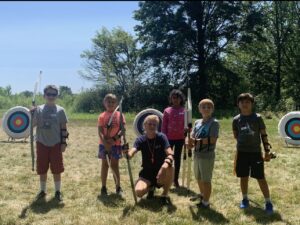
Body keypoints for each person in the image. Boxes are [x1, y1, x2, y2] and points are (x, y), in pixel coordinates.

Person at [232, 93, 274, 214]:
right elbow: (236, 135)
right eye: (242, 102)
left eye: (248, 102)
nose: (245, 104)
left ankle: (268, 202)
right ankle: (245, 199)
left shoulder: (258, 118)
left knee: (260, 177)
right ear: (238, 104)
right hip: (241, 153)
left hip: (255, 153)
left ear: (252, 104)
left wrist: (267, 151)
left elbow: (264, 135)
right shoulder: (236, 119)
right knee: (243, 177)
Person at [126, 115, 174, 204]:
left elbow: (170, 154)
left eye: (154, 124)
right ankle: (151, 187)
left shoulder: (162, 137)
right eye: (149, 124)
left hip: (161, 171)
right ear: (144, 125)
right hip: (147, 172)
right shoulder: (140, 139)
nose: (152, 126)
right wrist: (127, 153)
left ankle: (164, 194)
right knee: (139, 192)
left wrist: (164, 167)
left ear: (157, 126)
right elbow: (132, 152)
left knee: (170, 167)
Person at [33, 85, 69, 202]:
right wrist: (31, 114)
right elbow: (32, 125)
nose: (51, 96)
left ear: (56, 96)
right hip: (41, 143)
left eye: (54, 94)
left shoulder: (60, 110)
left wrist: (63, 143)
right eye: (49, 94)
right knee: (42, 168)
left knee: (57, 169)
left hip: (56, 144)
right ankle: (43, 191)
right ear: (44, 96)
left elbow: (64, 129)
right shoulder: (38, 109)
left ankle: (58, 191)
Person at [187, 99, 219, 208]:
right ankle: (202, 194)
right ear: (199, 109)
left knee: (206, 180)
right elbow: (192, 135)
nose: (206, 109)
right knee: (198, 177)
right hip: (197, 154)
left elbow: (213, 139)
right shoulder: (197, 122)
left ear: (212, 109)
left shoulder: (214, 122)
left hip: (207, 156)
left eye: (209, 107)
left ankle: (205, 202)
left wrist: (195, 141)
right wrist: (189, 141)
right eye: (203, 107)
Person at [98, 94, 125, 196]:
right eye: (108, 101)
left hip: (116, 144)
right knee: (105, 165)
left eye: (113, 102)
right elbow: (100, 131)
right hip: (103, 145)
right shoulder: (101, 116)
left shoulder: (120, 115)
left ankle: (118, 187)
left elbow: (122, 130)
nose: (110, 104)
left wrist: (114, 140)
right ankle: (103, 187)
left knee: (114, 166)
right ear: (104, 103)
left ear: (116, 104)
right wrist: (105, 142)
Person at [162, 89, 185, 188]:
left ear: (181, 99)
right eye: (174, 98)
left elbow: (188, 125)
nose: (176, 100)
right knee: (168, 159)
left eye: (178, 98)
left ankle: (175, 179)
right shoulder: (167, 111)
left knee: (178, 159)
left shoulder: (185, 111)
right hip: (168, 139)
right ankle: (167, 178)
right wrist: (163, 139)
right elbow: (164, 126)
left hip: (180, 139)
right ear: (171, 99)